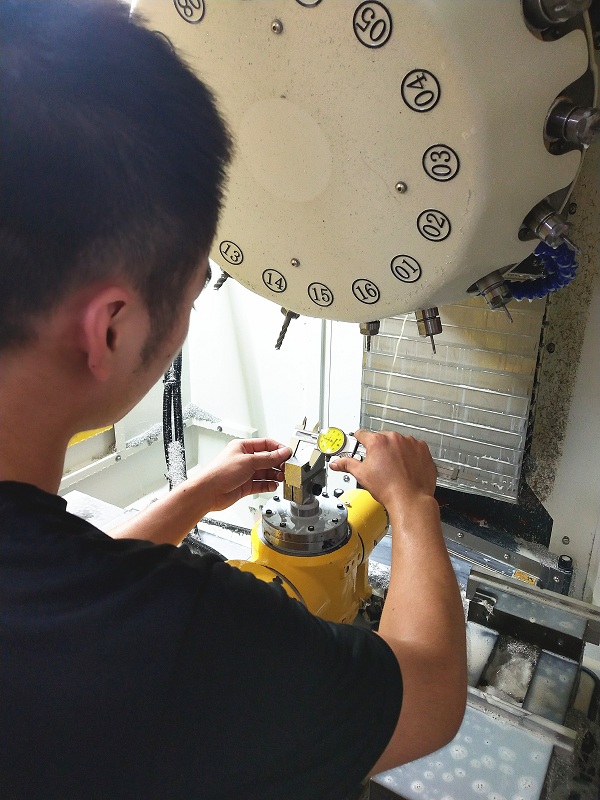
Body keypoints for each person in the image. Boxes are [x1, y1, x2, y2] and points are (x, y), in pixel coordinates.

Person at [0, 1, 467, 798]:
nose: (189, 316)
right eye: (194, 293)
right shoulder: (183, 644)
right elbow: (428, 694)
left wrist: (193, 497)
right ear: (110, 328)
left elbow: (70, 585)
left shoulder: (58, 608)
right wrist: (413, 501)